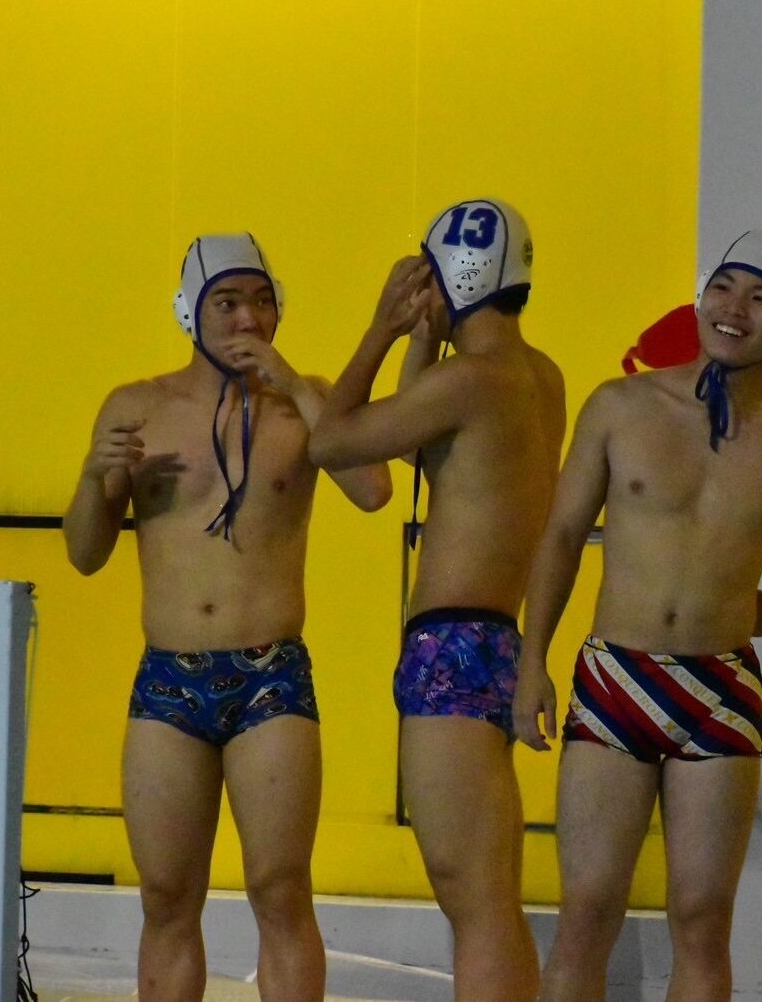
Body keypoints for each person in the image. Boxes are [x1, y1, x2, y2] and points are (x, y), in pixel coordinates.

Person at [515, 230, 762, 1000]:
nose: (734, 309)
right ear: (699, 294)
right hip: (616, 676)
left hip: (720, 689)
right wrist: (532, 661)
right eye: (724, 286)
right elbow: (561, 533)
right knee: (586, 913)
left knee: (702, 920)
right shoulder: (620, 405)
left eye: (759, 297)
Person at [64, 234, 391, 1000]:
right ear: (190, 312)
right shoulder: (136, 406)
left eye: (262, 301)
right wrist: (93, 477)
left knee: (281, 888)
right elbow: (83, 552)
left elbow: (372, 488)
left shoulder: (306, 403)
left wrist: (297, 386)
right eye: (228, 302)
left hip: (270, 675)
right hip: (168, 680)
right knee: (166, 895)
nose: (248, 318)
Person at [308, 198, 565, 1001]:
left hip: (447, 648)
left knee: (474, 904)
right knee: (492, 900)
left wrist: (381, 330)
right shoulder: (537, 377)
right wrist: (426, 338)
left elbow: (330, 441)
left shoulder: (469, 380)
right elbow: (424, 451)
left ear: (453, 277)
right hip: (495, 640)